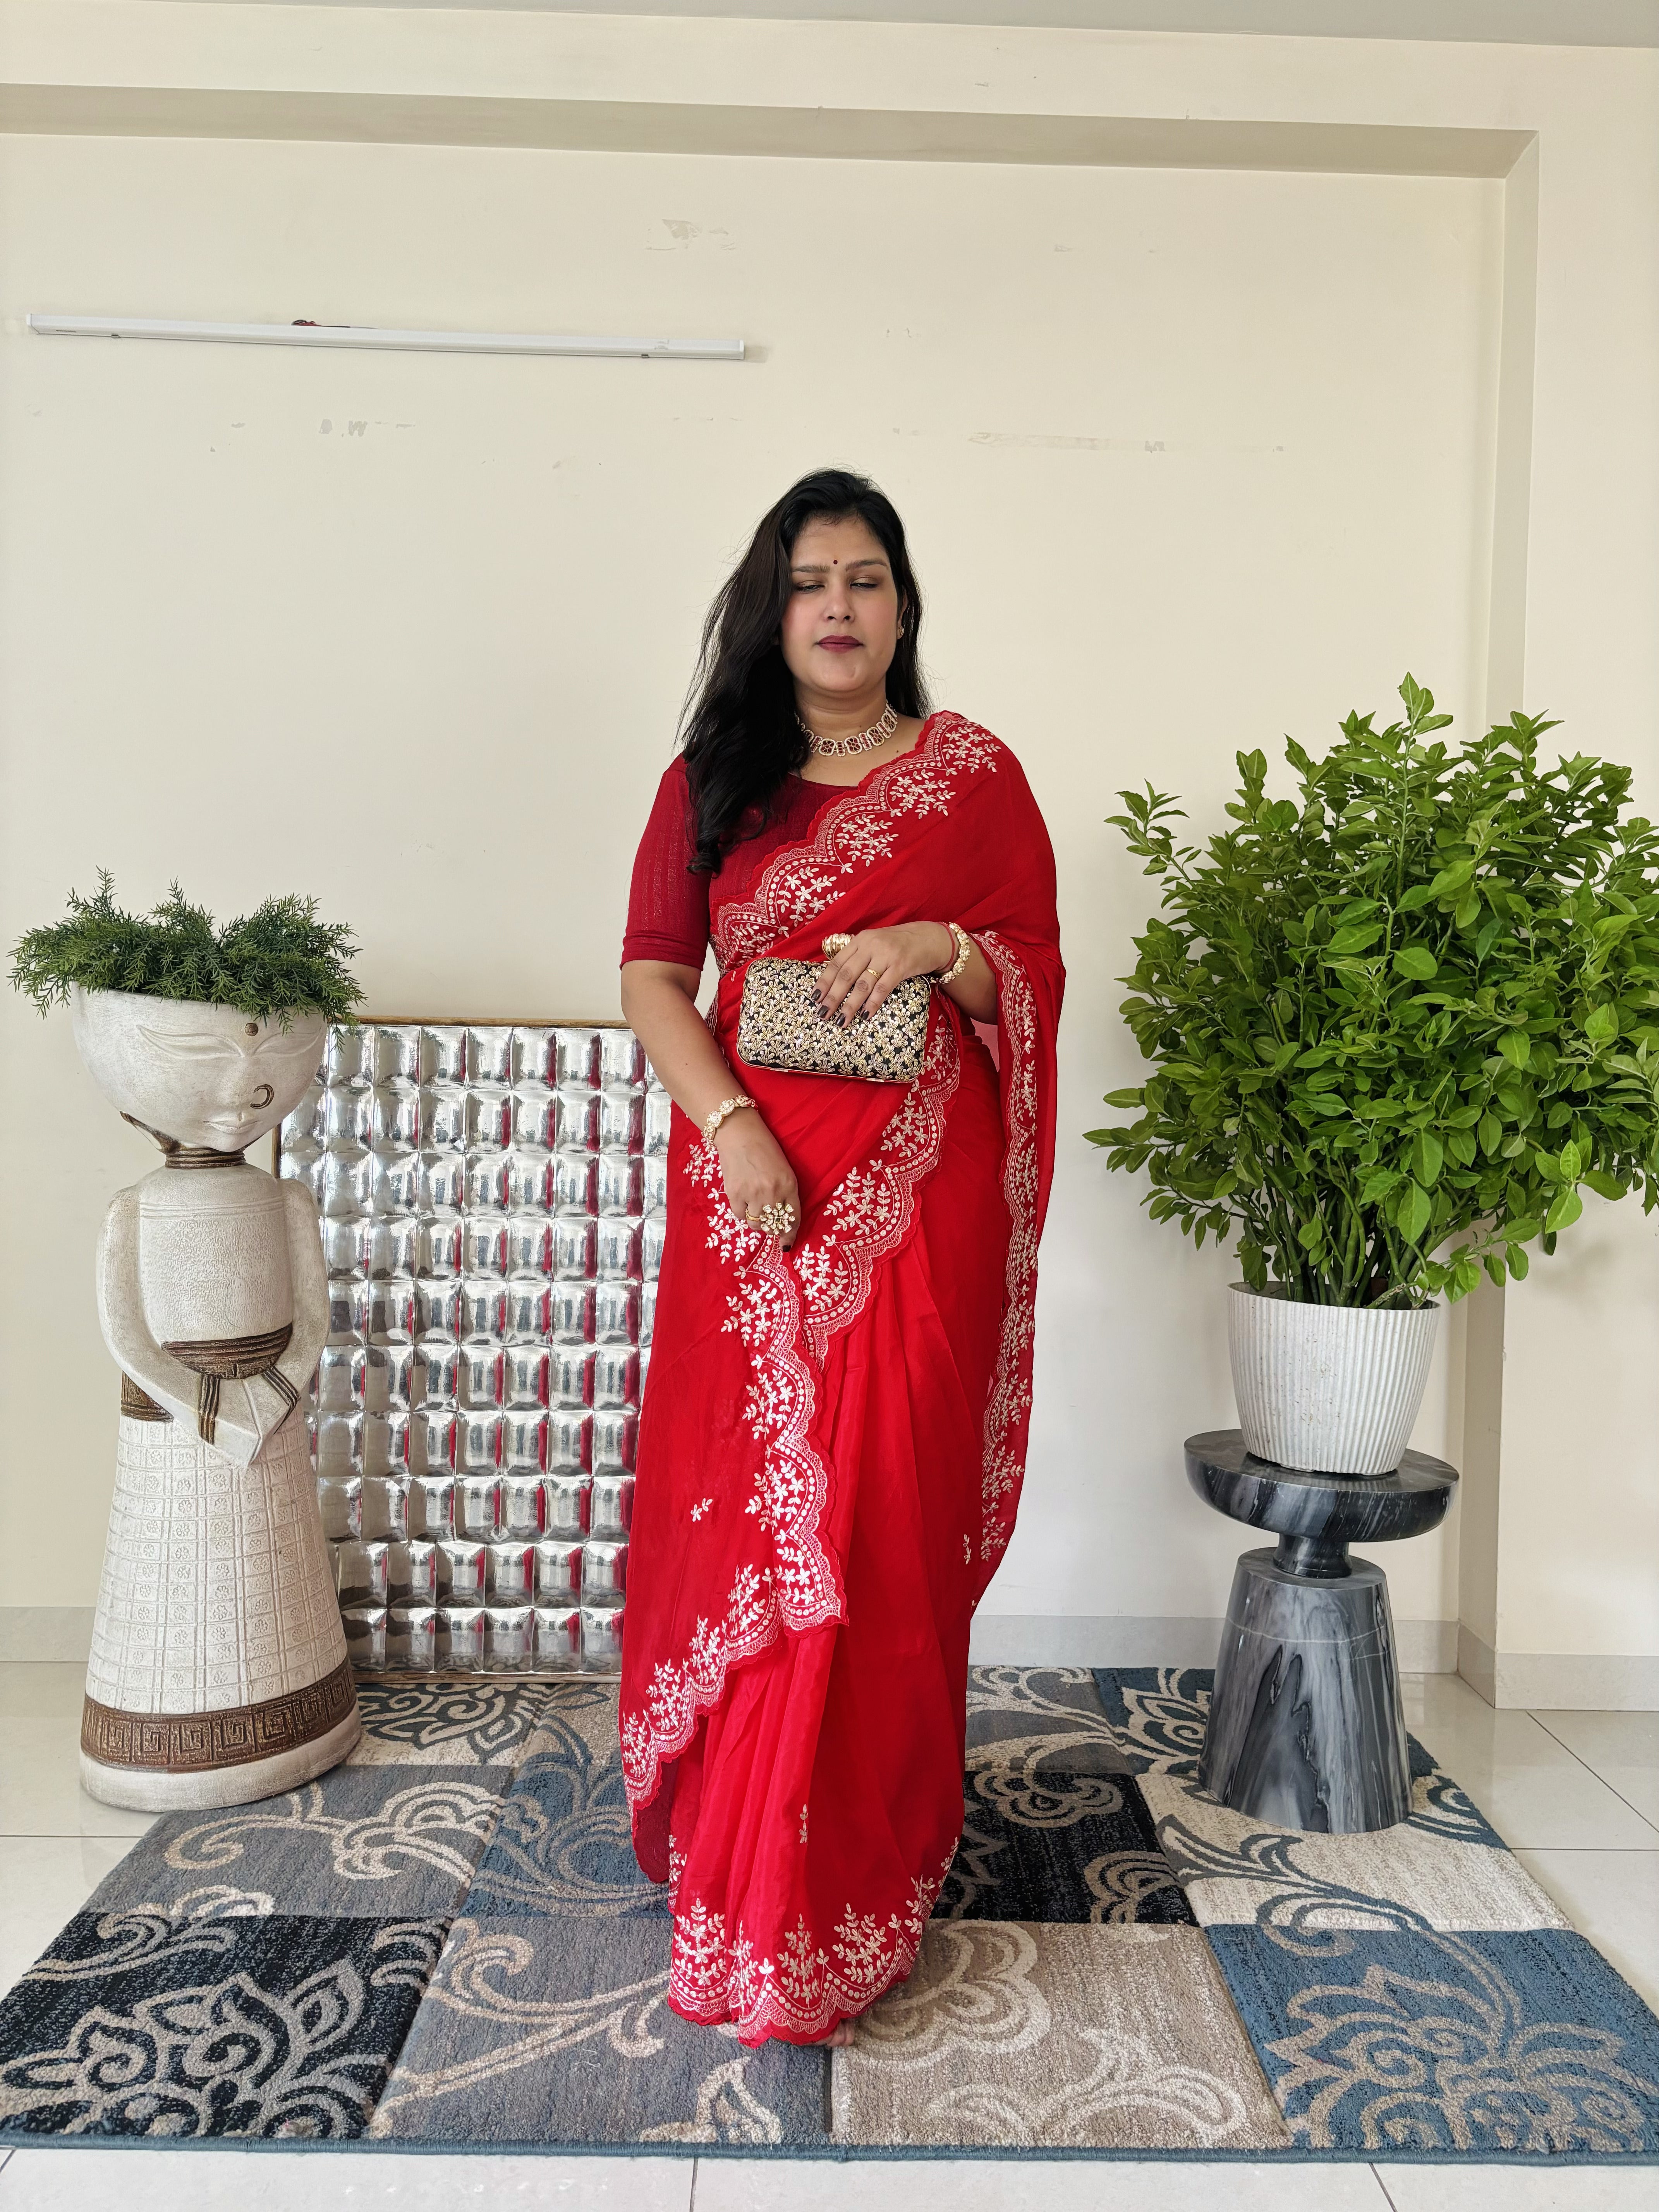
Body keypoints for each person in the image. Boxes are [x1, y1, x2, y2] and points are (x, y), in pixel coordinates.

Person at [617, 466, 1064, 2047]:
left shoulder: (975, 778)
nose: (839, 608)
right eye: (811, 581)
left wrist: (941, 949)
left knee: (877, 1517)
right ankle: (743, 1876)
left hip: (917, 1210)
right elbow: (656, 977)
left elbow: (1033, 978)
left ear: (903, 604)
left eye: (867, 578)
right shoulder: (712, 783)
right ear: (771, 604)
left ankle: (851, 1875)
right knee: (752, 1522)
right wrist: (734, 1129)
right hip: (751, 1203)